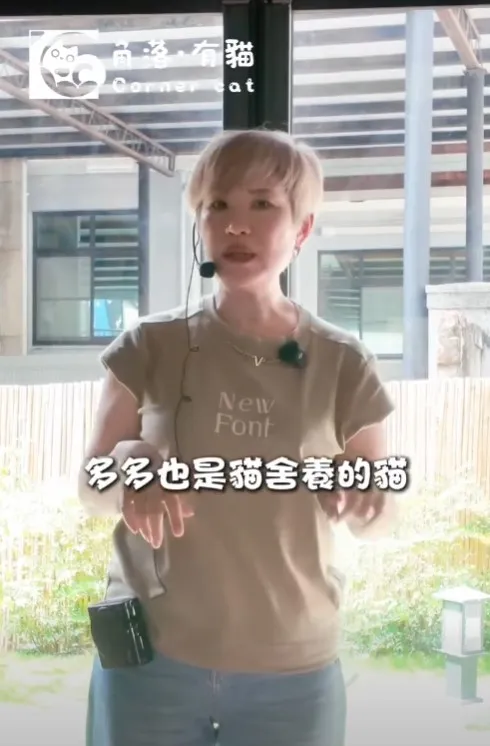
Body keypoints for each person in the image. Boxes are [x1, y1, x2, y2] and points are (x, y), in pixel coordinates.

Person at [79, 128, 398, 746]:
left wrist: (367, 499)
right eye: (217, 205)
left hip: (293, 670)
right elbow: (91, 490)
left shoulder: (344, 362)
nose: (236, 225)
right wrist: (129, 459)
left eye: (263, 204)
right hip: (152, 662)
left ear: (302, 229)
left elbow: (381, 514)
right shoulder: (149, 345)